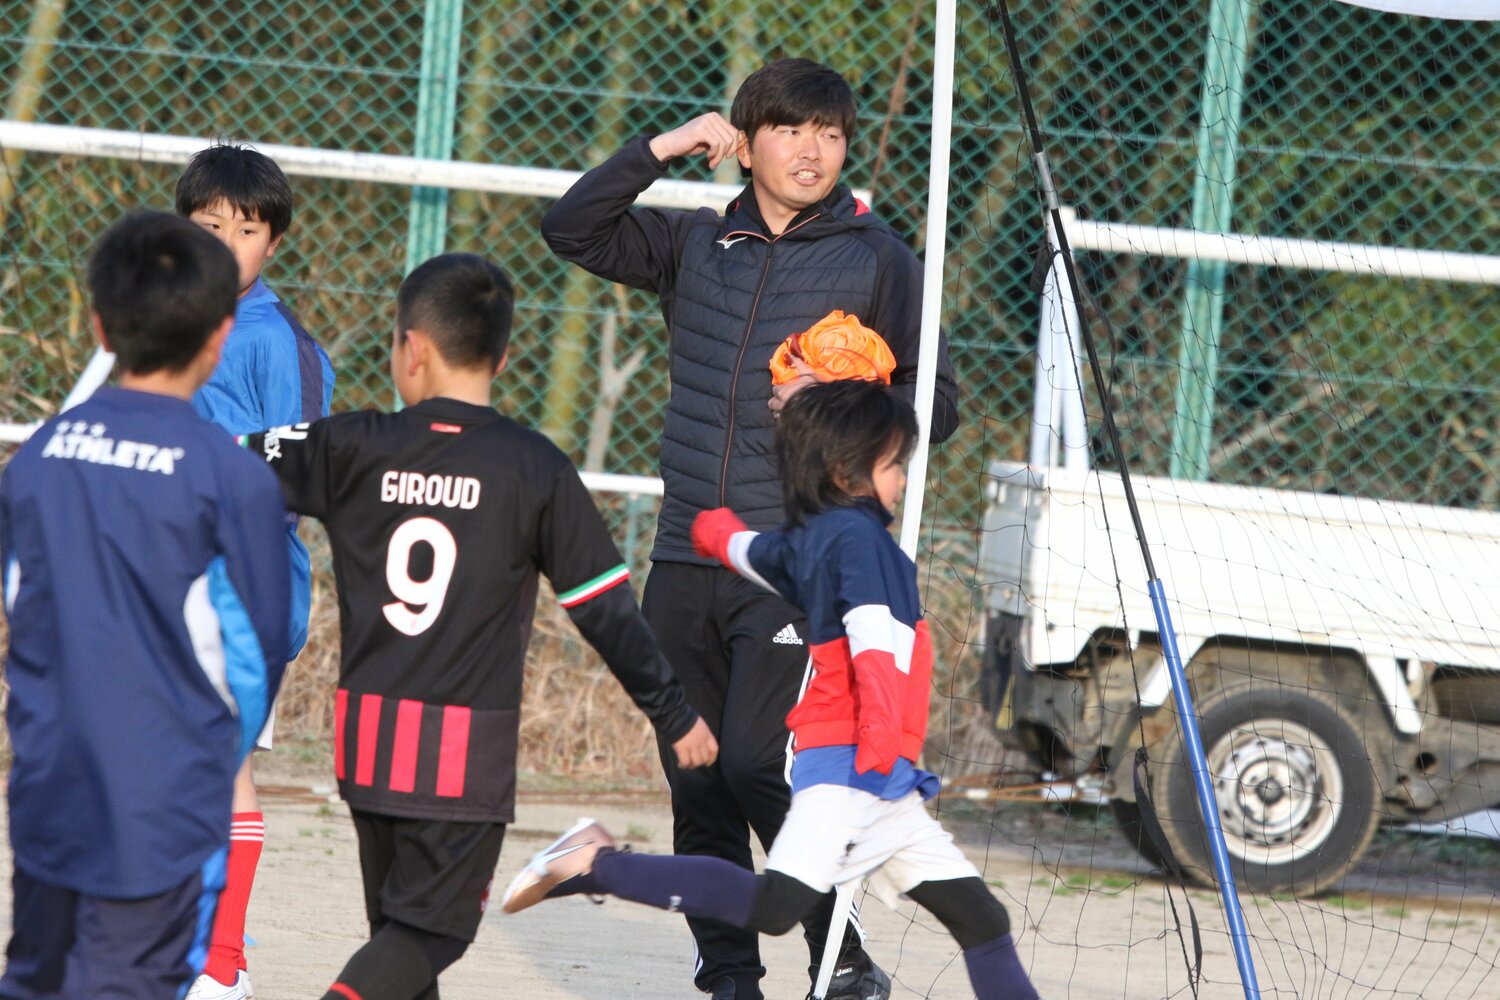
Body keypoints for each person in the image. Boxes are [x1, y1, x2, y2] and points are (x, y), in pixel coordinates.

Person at [540, 55, 960, 1000]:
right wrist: (663, 146)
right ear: (746, 139)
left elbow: (935, 406)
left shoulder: (877, 257)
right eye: (791, 130)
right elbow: (569, 227)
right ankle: (728, 974)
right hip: (688, 547)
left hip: (797, 558)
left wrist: (843, 401)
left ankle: (839, 954)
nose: (813, 151)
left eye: (831, 134)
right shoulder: (696, 242)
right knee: (696, 773)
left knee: (757, 761)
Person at [236, 253, 718, 1000]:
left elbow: (223, 462)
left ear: (411, 347)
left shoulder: (351, 445)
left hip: (368, 738)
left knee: (398, 944)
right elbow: (604, 609)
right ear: (503, 356)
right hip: (462, 756)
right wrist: (674, 710)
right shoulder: (533, 469)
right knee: (434, 933)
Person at [501, 380, 1038, 1000]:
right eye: (893, 464)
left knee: (983, 921)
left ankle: (598, 864)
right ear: (846, 471)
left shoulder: (823, 535)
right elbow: (872, 641)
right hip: (852, 767)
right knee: (775, 905)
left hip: (882, 781)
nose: (901, 477)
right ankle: (595, 864)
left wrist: (718, 536)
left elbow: (763, 555)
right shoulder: (862, 541)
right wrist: (883, 739)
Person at [0, 211, 290, 1000]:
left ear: (99, 325)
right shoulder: (229, 478)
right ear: (220, 336)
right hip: (159, 801)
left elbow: (20, 605)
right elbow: (254, 654)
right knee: (129, 979)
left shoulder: (37, 460)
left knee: (39, 969)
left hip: (50, 782)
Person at [176, 142, 336, 1000]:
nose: (227, 242)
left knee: (217, 766)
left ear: (273, 243)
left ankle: (221, 964)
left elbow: (303, 475)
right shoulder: (161, 325)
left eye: (247, 229)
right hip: (160, 582)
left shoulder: (277, 342)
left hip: (241, 588)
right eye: (208, 226)